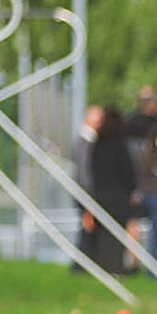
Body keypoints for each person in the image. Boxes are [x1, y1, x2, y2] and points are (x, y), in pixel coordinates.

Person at [125, 85, 157, 267]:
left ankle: (141, 263)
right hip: (147, 186)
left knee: (140, 226)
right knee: (136, 226)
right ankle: (140, 262)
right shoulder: (156, 127)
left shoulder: (131, 124)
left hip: (147, 186)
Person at [88, 107, 137, 275]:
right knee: (116, 235)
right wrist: (131, 190)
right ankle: (115, 267)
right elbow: (127, 172)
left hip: (101, 196)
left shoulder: (97, 145)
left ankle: (102, 266)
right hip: (119, 198)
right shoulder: (120, 145)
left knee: (103, 234)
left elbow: (92, 170)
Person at [71, 104, 104, 267]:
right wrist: (89, 196)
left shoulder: (86, 140)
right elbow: (84, 172)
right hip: (86, 193)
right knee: (87, 229)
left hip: (86, 192)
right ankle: (81, 264)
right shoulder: (85, 141)